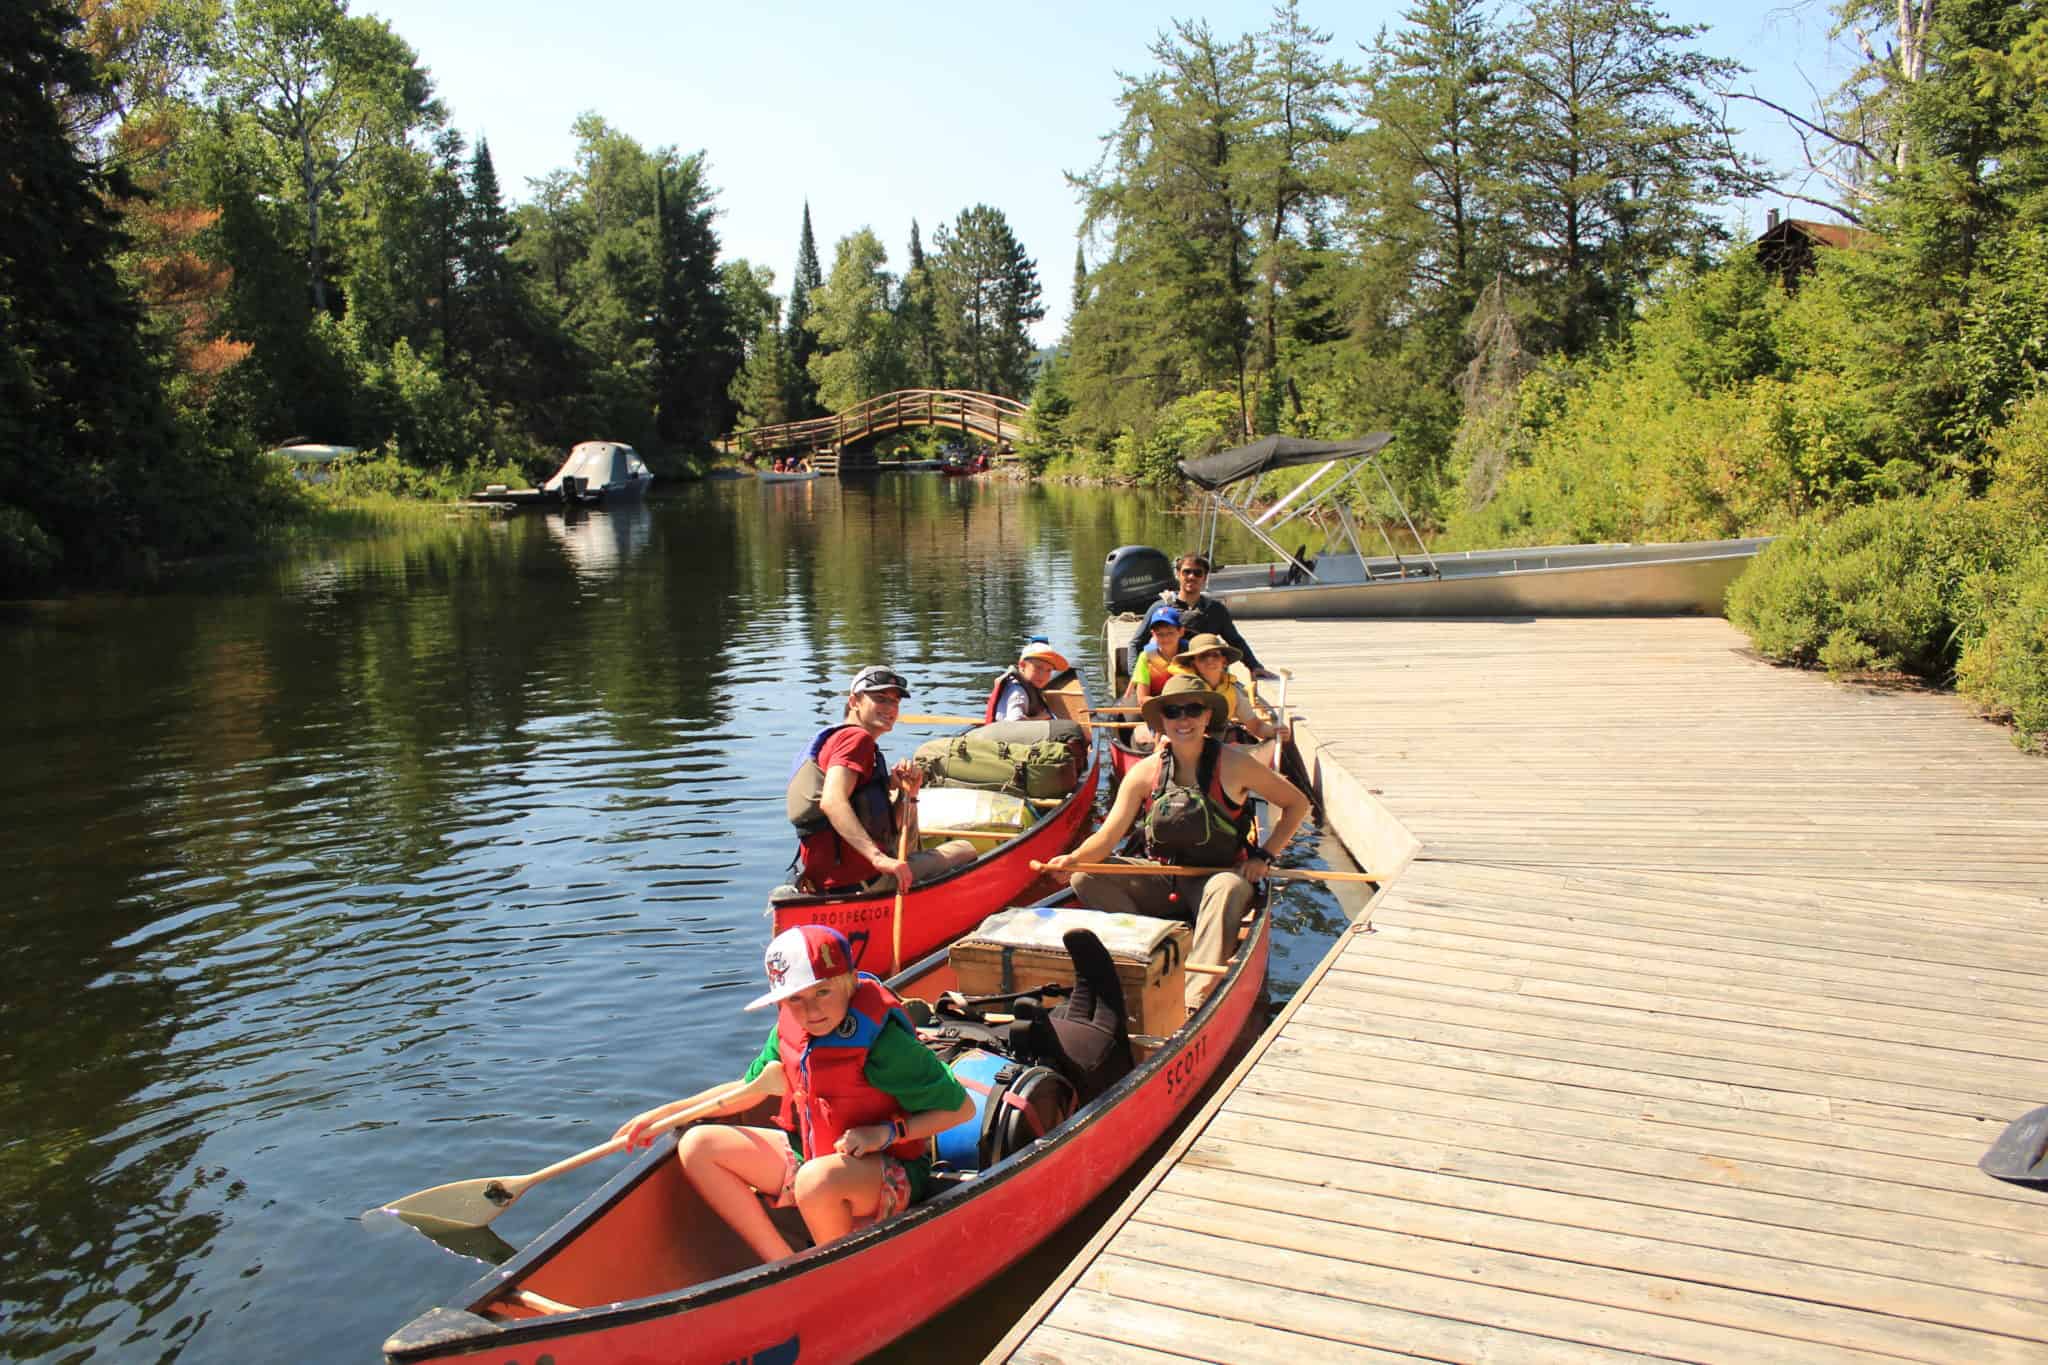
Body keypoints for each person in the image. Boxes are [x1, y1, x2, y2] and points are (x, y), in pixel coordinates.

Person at [615, 924, 975, 1263]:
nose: (812, 1010)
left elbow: (961, 1110)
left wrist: (884, 1133)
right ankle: (785, 1267)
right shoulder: (791, 1029)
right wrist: (665, 1115)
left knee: (816, 1181)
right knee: (698, 1145)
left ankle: (836, 1267)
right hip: (813, 1155)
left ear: (850, 981)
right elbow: (748, 1089)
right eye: (795, 999)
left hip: (890, 1172)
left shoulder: (886, 1046)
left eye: (823, 992)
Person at [1043, 674, 1309, 1011]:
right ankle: (1156, 949)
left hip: (1219, 877)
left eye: (1192, 710)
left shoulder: (1237, 764)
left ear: (1207, 717)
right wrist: (1073, 860)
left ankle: (1192, 999)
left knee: (1226, 888)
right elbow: (1107, 837)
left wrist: (1264, 855)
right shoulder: (1145, 772)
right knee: (1085, 876)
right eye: (1173, 712)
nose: (1183, 720)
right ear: (1162, 720)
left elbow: (1298, 804)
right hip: (1164, 876)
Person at [792, 666, 976, 893]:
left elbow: (889, 829)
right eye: (880, 699)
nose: (890, 708)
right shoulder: (856, 739)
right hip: (863, 882)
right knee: (966, 850)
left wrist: (908, 792)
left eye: (895, 702)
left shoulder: (837, 739)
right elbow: (832, 801)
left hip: (825, 883)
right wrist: (878, 858)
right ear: (854, 701)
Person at [1129, 551, 1275, 680]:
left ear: (1204, 578)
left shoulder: (1216, 610)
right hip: (1169, 675)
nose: (1191, 576)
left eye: (1198, 573)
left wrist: (1254, 666)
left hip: (1206, 675)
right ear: (1178, 575)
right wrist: (1136, 677)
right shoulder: (1159, 608)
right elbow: (1136, 643)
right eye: (1187, 572)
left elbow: (1235, 641)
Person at [1172, 633, 1281, 744]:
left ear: (1224, 661)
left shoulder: (1232, 692)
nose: (1210, 660)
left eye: (1215, 655)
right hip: (1185, 742)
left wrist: (1276, 731)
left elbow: (1256, 726)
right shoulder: (1183, 688)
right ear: (1193, 663)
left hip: (1219, 744)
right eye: (1203, 656)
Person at [1124, 608, 1187, 747]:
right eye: (1160, 634)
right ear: (1153, 634)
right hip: (1156, 706)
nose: (1165, 638)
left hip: (1185, 707)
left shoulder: (1190, 655)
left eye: (1170, 633)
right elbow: (1142, 698)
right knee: (1129, 719)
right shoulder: (1146, 657)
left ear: (1181, 631)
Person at [985, 639, 1070, 722]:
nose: (1043, 675)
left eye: (1048, 670)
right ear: (1022, 666)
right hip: (1005, 733)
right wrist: (1040, 718)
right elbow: (1014, 722)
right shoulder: (1018, 691)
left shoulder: (1028, 685)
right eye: (1038, 668)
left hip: (1006, 731)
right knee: (1068, 728)